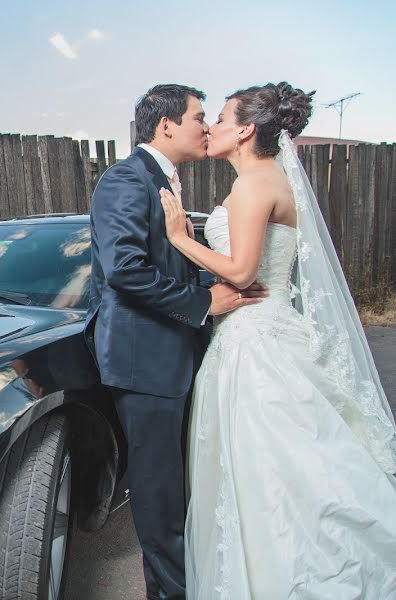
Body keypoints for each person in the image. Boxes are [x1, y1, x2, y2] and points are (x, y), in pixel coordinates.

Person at [159, 81, 396, 599]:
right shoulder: (268, 179)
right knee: (280, 471)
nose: (213, 128)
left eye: (220, 119)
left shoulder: (254, 184)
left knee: (267, 475)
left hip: (255, 343)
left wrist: (180, 238)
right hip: (260, 331)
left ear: (245, 130)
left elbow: (243, 271)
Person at [84, 84, 267, 599]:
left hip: (175, 357)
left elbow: (169, 266)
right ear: (166, 125)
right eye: (198, 117)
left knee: (180, 485)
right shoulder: (125, 179)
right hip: (145, 362)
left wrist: (214, 286)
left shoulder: (167, 182)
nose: (205, 127)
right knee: (159, 492)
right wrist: (204, 305)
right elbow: (124, 271)